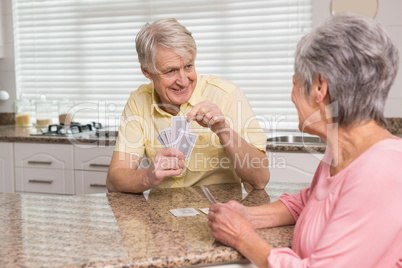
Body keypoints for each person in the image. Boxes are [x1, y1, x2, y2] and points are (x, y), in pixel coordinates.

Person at [207, 13, 402, 268]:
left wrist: (242, 236)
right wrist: (249, 215)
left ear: (320, 87)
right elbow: (312, 202)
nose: (291, 96)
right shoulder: (341, 148)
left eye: (295, 84)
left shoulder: (383, 170)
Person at [106, 18, 270, 193]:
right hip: (160, 215)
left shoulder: (227, 96)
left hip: (217, 213)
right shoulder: (138, 102)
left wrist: (224, 131)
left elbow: (260, 180)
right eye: (171, 71)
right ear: (146, 71)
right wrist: (147, 177)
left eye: (189, 66)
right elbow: (114, 179)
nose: (184, 81)